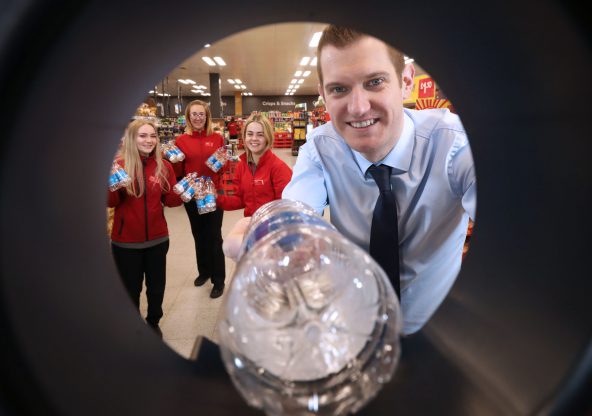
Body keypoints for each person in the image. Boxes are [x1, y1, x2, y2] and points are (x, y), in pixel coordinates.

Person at [224, 25, 476, 336]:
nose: (358, 108)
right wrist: (274, 239)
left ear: (406, 82)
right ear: (323, 95)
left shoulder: (456, 145)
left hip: (440, 331)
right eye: (339, 89)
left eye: (375, 82)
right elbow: (296, 209)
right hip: (354, 324)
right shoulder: (319, 148)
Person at [108, 119, 182, 338]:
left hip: (158, 239)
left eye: (152, 136)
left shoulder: (164, 166)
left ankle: (153, 322)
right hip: (126, 242)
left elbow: (171, 201)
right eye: (143, 136)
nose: (149, 140)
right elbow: (111, 202)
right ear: (132, 138)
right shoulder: (119, 165)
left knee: (156, 286)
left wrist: (183, 190)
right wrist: (110, 182)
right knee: (130, 289)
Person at [174, 100, 227, 298]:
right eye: (194, 114)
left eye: (201, 114)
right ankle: (204, 271)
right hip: (192, 195)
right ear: (188, 117)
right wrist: (173, 162)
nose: (198, 118)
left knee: (214, 236)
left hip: (213, 194)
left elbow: (222, 167)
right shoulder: (181, 141)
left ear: (207, 116)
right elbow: (178, 171)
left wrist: (223, 165)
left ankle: (218, 280)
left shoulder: (217, 138)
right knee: (198, 234)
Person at [217, 112, 292, 217]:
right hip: (252, 223)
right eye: (250, 134)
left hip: (272, 224)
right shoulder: (241, 165)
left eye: (260, 134)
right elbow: (240, 199)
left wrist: (264, 222)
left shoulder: (279, 168)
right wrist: (216, 198)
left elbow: (286, 207)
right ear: (244, 136)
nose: (254, 138)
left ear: (268, 137)